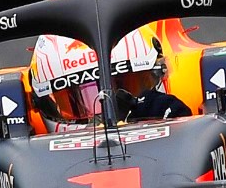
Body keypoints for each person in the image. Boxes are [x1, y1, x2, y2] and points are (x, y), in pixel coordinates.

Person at [28, 26, 191, 130]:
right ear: (44, 103)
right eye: (77, 104)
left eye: (126, 87)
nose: (106, 121)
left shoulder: (165, 109)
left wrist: (179, 128)